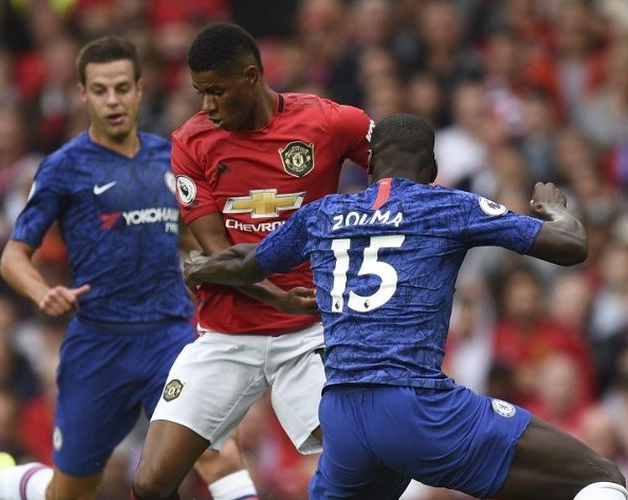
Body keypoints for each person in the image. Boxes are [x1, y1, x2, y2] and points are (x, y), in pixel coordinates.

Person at [182, 113, 628, 500]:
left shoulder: (322, 213)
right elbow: (571, 247)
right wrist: (555, 211)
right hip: (417, 409)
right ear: (432, 168)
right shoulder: (446, 204)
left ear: (370, 163)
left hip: (341, 416)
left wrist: (203, 266)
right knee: (599, 476)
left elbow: (246, 262)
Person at [0, 36, 254, 500]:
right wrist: (42, 293)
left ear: (140, 88)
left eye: (122, 87)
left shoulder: (173, 157)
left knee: (217, 453)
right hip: (99, 344)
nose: (113, 100)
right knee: (71, 491)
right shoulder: (64, 168)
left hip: (169, 337)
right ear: (83, 94)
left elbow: (184, 233)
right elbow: (13, 254)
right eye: (100, 90)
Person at [133, 21, 375, 499]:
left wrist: (363, 231)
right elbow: (220, 256)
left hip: (309, 334)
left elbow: (403, 165)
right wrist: (280, 298)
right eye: (200, 92)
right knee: (151, 481)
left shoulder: (327, 123)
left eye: (216, 91)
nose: (207, 105)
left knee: (370, 461)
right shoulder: (191, 142)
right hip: (228, 332)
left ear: (250, 76)